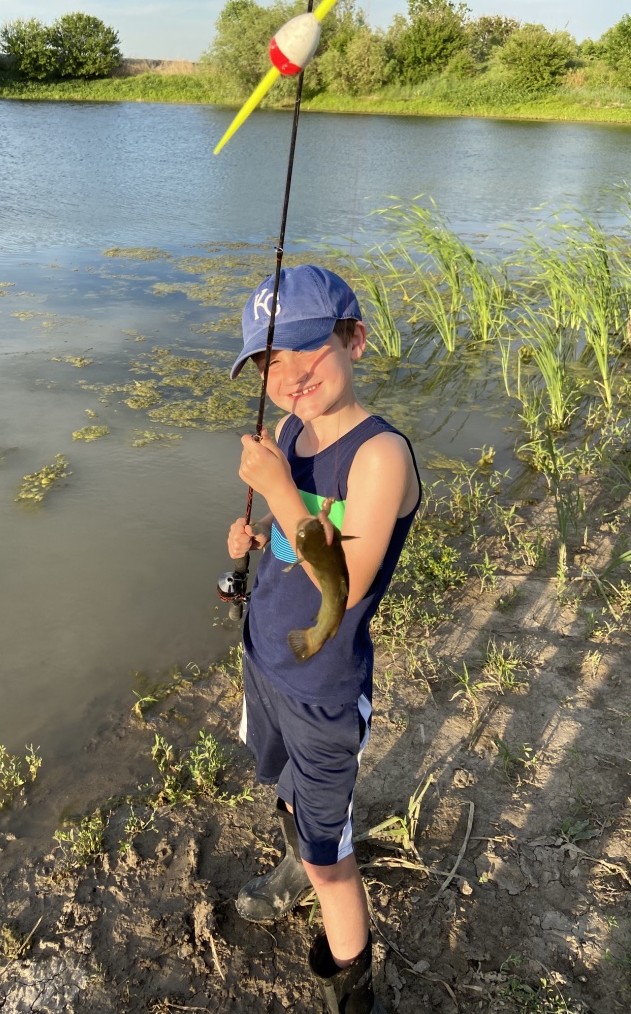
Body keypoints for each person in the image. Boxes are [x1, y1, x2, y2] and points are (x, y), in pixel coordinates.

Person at [226, 265, 421, 1014]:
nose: (291, 373)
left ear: (355, 340)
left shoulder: (380, 457)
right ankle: (293, 859)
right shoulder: (289, 432)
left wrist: (278, 489)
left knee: (332, 857)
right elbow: (290, 539)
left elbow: (350, 584)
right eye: (269, 360)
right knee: (283, 790)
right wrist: (257, 529)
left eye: (307, 347)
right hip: (267, 661)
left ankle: (353, 982)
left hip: (323, 688)